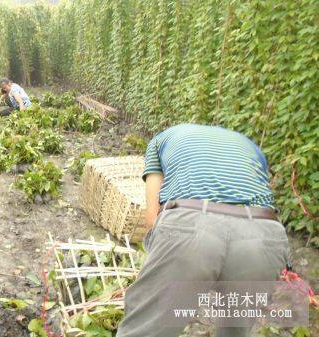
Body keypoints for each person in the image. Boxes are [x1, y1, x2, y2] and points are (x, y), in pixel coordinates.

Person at [116, 124, 289, 337]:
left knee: (146, 330)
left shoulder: (160, 141)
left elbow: (152, 219)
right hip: (265, 234)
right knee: (235, 331)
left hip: (191, 224)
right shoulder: (251, 147)